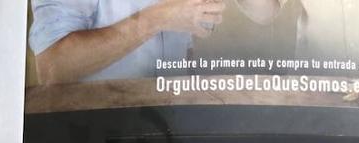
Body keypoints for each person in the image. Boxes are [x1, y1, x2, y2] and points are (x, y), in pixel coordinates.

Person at [30, 0, 224, 84]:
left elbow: (185, 51)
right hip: (96, 139)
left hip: (170, 140)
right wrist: (157, 19)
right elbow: (52, 65)